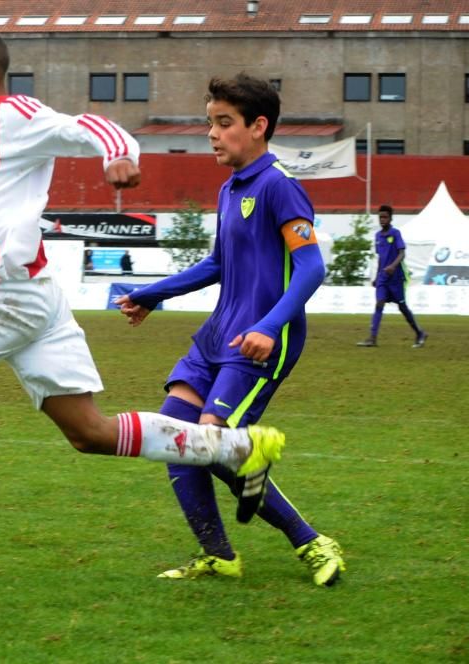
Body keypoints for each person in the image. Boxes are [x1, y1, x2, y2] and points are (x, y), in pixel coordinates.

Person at [0, 22, 285, 608]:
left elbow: (86, 126)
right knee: (89, 432)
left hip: (4, 294)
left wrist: (118, 153)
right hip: (34, 298)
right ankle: (235, 449)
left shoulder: (13, 116)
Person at [116, 73, 345, 587]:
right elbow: (216, 264)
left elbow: (311, 268)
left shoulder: (280, 187)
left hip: (258, 342)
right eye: (210, 123)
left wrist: (268, 327)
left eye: (224, 123)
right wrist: (152, 294)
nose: (212, 134)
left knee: (206, 442)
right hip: (216, 335)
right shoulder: (229, 189)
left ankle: (311, 542)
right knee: (177, 439)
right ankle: (218, 553)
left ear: (258, 126)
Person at [357, 204, 427, 348]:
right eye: (380, 217)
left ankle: (419, 333)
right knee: (379, 304)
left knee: (402, 307)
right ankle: (372, 338)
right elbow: (380, 258)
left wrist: (393, 266)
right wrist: (377, 276)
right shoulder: (377, 236)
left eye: (385, 217)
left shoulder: (396, 233)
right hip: (383, 277)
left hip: (396, 278)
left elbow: (402, 253)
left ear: (391, 218)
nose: (382, 220)